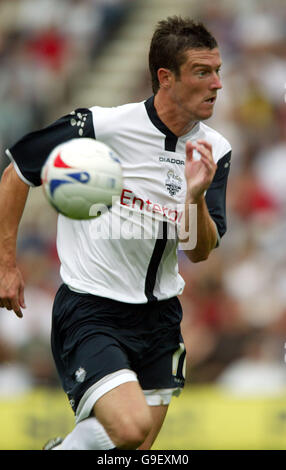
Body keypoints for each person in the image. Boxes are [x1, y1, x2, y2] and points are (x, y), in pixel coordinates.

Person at [0, 16, 231, 450]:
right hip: (93, 308)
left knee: (132, 448)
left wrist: (196, 198)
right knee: (129, 429)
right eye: (203, 72)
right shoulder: (102, 126)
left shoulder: (215, 149)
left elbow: (200, 251)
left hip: (161, 317)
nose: (217, 83)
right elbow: (16, 172)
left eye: (218, 71)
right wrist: (5, 265)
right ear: (166, 78)